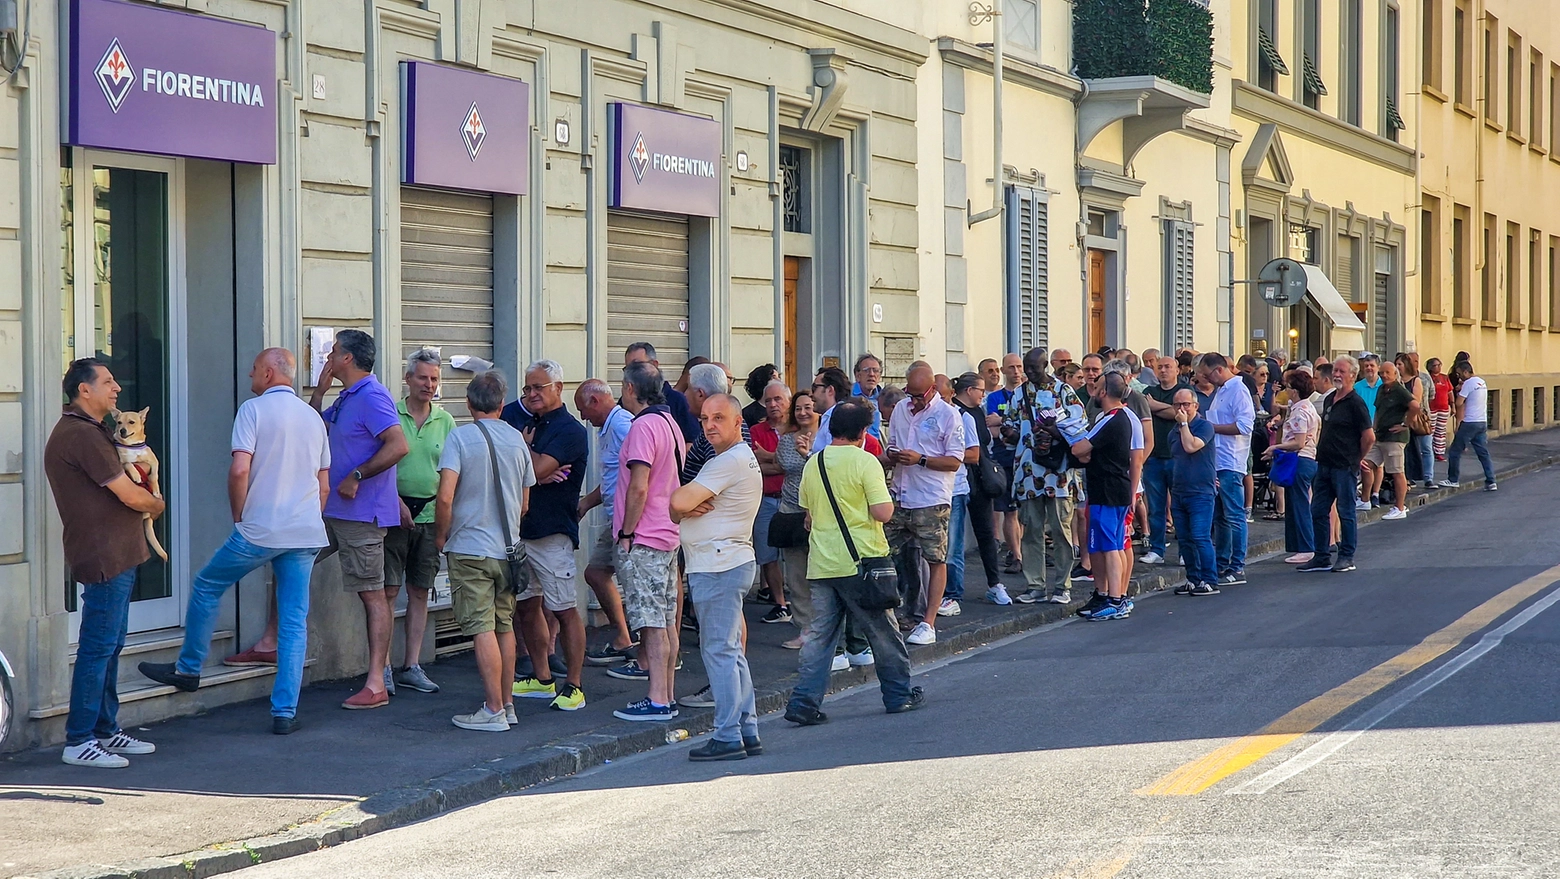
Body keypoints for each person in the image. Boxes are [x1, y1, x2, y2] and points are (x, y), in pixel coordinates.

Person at [138, 349, 329, 736]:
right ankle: (284, 712)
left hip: (261, 527)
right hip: (306, 530)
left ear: (271, 372)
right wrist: (308, 517)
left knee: (208, 584)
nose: (251, 374)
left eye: (256, 369)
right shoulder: (313, 417)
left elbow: (240, 468)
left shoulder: (253, 410)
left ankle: (189, 668)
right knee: (294, 621)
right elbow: (323, 483)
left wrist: (239, 514)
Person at [48, 359, 167, 766]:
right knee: (98, 648)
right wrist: (157, 504)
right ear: (84, 390)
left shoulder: (97, 432)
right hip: (103, 555)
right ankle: (79, 741)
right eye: (108, 382)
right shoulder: (81, 435)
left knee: (111, 646)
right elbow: (130, 495)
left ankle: (105, 731)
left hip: (119, 551)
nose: (116, 388)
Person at [784, 400, 923, 726]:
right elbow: (882, 512)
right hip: (863, 562)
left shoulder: (814, 463)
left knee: (820, 638)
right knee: (883, 633)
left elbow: (809, 514)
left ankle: (804, 701)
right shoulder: (866, 462)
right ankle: (898, 695)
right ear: (862, 432)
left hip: (822, 563)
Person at [310, 330, 410, 710]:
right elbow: (318, 429)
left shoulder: (371, 396)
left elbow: (399, 444)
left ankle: (376, 683)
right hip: (330, 510)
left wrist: (357, 476)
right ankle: (271, 641)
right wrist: (319, 392)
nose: (328, 357)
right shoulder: (347, 396)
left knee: (373, 593)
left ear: (348, 358)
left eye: (333, 352)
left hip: (360, 514)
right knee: (288, 560)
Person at [435, 370, 536, 731]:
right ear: (502, 404)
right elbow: (525, 504)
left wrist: (441, 535)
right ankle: (507, 704)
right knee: (503, 625)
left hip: (470, 547)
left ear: (468, 403)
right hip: (507, 550)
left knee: (481, 628)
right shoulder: (516, 440)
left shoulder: (459, 439)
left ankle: (492, 709)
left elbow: (445, 496)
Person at [669, 394, 764, 760]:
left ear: (738, 422)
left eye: (719, 418)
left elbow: (677, 502)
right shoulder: (735, 460)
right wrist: (682, 509)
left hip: (718, 564)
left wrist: (681, 507)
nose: (709, 425)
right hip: (725, 561)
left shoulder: (728, 461)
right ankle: (746, 729)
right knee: (731, 652)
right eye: (705, 418)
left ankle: (727, 735)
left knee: (719, 651)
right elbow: (680, 509)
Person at [504, 360, 590, 711]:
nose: (531, 394)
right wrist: (533, 466)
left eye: (539, 387)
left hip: (553, 531)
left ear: (559, 387)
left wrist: (526, 454)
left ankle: (574, 685)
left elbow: (536, 469)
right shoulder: (522, 420)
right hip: (520, 529)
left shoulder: (570, 430)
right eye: (527, 388)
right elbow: (522, 469)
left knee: (564, 609)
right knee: (526, 606)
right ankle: (541, 677)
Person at [610, 362, 686, 721]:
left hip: (645, 536)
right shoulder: (670, 423)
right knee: (666, 620)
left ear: (629, 388)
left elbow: (638, 485)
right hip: (668, 533)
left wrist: (626, 531)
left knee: (652, 623)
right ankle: (666, 695)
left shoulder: (642, 426)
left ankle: (657, 700)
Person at [386, 349, 454, 695]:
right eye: (423, 378)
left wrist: (447, 519)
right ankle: (381, 666)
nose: (429, 385)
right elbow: (379, 462)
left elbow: (453, 473)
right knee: (385, 592)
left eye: (434, 379)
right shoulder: (390, 414)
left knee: (419, 591)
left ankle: (411, 665)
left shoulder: (446, 421)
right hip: (391, 514)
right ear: (408, 379)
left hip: (429, 517)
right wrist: (393, 502)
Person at [885, 366, 966, 645]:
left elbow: (955, 461)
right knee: (882, 552)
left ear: (933, 390)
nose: (915, 400)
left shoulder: (948, 415)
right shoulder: (900, 410)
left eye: (920, 395)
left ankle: (928, 622)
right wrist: (893, 456)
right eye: (911, 393)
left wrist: (920, 459)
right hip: (900, 493)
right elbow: (892, 444)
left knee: (935, 558)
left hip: (931, 498)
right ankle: (887, 613)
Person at [1003, 347, 1086, 605]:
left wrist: (1053, 433)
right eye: (1026, 368)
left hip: (1058, 473)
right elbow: (1010, 427)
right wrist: (1010, 434)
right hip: (1028, 473)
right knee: (1031, 531)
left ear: (1045, 367)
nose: (1028, 372)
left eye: (1034, 368)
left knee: (1061, 530)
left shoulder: (1063, 392)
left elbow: (1080, 425)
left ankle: (1063, 586)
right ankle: (1035, 585)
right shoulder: (1018, 394)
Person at [574, 379, 637, 666]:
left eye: (583, 410)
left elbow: (642, 472)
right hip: (615, 518)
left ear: (595, 401)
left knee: (637, 586)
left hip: (630, 521)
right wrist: (586, 503)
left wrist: (632, 524)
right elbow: (614, 478)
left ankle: (650, 656)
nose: (583, 418)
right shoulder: (609, 428)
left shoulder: (623, 426)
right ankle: (624, 637)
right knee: (596, 573)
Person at [1068, 373, 1141, 620]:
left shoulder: (1110, 419)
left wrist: (1078, 448)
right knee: (1107, 545)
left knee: (1110, 547)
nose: (1093, 390)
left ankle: (1116, 599)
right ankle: (1108, 595)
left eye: (1097, 387)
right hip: (1112, 490)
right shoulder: (1121, 418)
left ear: (1104, 392)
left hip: (1108, 492)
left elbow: (1080, 448)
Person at [1299, 356, 1374, 573]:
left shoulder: (1356, 404)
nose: (1337, 375)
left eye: (1342, 371)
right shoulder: (1331, 398)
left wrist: (1357, 458)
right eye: (1335, 371)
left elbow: (1368, 436)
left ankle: (1346, 556)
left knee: (1346, 511)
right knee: (1319, 510)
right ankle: (1321, 555)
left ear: (1352, 375)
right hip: (1324, 464)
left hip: (1344, 466)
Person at [947, 373, 1009, 607]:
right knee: (955, 538)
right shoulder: (957, 414)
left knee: (985, 532)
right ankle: (953, 590)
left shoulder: (977, 412)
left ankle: (994, 583)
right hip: (962, 478)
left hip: (981, 479)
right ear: (969, 390)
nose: (983, 395)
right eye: (980, 390)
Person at [1200, 353, 1254, 588]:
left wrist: (1213, 428)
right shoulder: (1221, 391)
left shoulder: (1238, 391)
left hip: (1231, 461)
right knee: (1220, 516)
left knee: (1233, 514)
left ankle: (1237, 565)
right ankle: (1222, 562)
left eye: (1207, 374)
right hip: (1218, 460)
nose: (1206, 379)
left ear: (1219, 370)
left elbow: (1244, 425)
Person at [1263, 369, 1320, 564]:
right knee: (1297, 502)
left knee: (1299, 504)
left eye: (1288, 388)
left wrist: (1275, 447)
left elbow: (1299, 442)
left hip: (1299, 459)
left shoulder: (1300, 413)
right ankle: (1300, 545)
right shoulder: (1306, 408)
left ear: (1294, 391)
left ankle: (1306, 547)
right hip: (1308, 458)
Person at [1167, 388, 1219, 595]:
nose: (1181, 409)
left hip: (1200, 492)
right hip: (1180, 490)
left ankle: (1210, 579)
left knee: (1200, 536)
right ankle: (1193, 578)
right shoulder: (1173, 432)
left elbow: (1191, 446)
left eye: (1186, 404)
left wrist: (1183, 424)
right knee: (1185, 539)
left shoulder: (1204, 426)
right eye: (1177, 405)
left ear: (1195, 406)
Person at [749, 380, 793, 624]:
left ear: (788, 401)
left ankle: (801, 601)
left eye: (778, 399)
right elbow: (754, 465)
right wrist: (780, 463)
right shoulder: (757, 431)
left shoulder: (798, 430)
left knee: (797, 554)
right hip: (766, 500)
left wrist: (771, 460)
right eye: (768, 401)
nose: (773, 404)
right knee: (768, 554)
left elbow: (798, 464)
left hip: (791, 500)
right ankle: (780, 603)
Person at [1140, 356, 1189, 565]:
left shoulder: (1184, 391)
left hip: (1178, 457)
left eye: (1168, 366)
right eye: (1159, 367)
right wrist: (1166, 409)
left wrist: (1156, 406)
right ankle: (1157, 549)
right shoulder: (1147, 392)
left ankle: (1184, 551)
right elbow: (1144, 411)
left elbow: (1181, 414)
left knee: (1180, 506)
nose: (1163, 370)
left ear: (1177, 369)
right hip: (1153, 456)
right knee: (1156, 507)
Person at [985, 353, 1025, 574]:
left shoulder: (1029, 395)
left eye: (1019, 367)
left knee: (1025, 512)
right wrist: (1008, 425)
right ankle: (1016, 554)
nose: (1016, 371)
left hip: (1026, 459)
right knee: (1009, 510)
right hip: (1003, 460)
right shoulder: (995, 398)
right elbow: (992, 429)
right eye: (1011, 367)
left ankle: (1022, 550)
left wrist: (1004, 422)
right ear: (1004, 370)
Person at [1365, 361, 1414, 520]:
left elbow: (1415, 405)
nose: (1384, 376)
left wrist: (1405, 424)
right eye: (1382, 373)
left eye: (1388, 373)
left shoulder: (1399, 390)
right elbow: (1378, 410)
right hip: (1380, 436)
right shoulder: (1381, 389)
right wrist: (1374, 428)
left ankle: (1399, 507)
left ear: (1395, 374)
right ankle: (1365, 499)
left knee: (1396, 471)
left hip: (1394, 438)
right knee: (1366, 464)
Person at [1439, 360, 1497, 491]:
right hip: (1481, 421)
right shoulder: (1481, 382)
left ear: (1466, 371)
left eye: (1460, 374)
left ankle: (1453, 479)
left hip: (1470, 422)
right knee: (1483, 453)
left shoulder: (1468, 383)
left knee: (1454, 451)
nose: (1459, 377)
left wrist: (1459, 391)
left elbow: (1459, 403)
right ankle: (1491, 480)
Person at [624, 342, 698, 443]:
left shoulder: (677, 400)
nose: (630, 373)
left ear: (654, 365)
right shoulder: (625, 402)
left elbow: (693, 443)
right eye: (628, 369)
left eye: (638, 366)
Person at [1397, 353, 1435, 489]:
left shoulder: (1418, 379)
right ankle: (1408, 478)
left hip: (1418, 419)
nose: (1397, 367)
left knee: (1425, 448)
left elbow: (1418, 400)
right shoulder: (1396, 380)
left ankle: (1428, 478)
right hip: (1401, 419)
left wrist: (1400, 389)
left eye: (1399, 364)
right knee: (1407, 450)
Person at [1428, 357, 1453, 465]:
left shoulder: (1444, 377)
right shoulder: (1428, 378)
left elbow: (1450, 391)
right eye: (1435, 365)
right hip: (1432, 408)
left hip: (1444, 408)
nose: (1437, 367)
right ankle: (1429, 452)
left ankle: (1439, 452)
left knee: (1441, 431)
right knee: (1430, 430)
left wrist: (1453, 405)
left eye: (1439, 365)